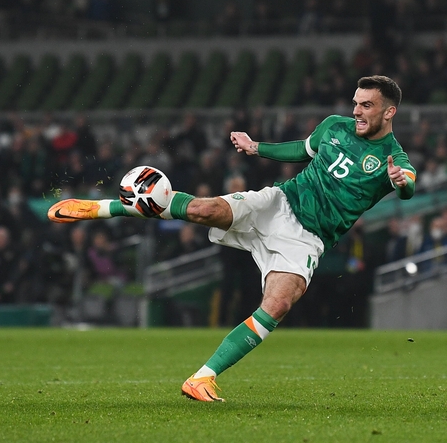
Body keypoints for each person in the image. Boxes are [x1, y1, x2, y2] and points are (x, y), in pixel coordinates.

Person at [47, 75, 417, 402]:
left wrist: (402, 183)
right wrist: (258, 147)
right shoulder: (334, 126)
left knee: (279, 304)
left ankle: (202, 378)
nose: (357, 111)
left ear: (389, 112)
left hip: (308, 238)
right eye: (355, 102)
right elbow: (302, 149)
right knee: (203, 210)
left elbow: (408, 186)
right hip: (279, 202)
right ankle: (104, 208)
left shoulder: (394, 159)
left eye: (366, 105)